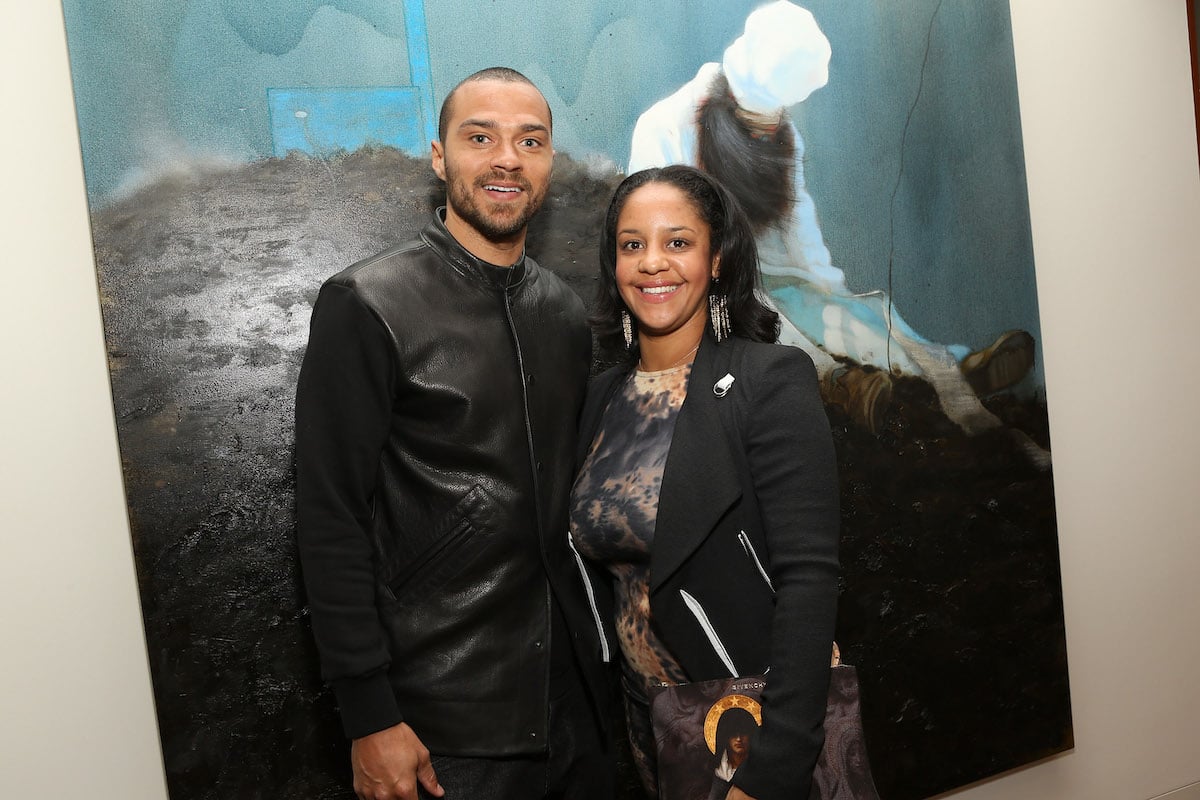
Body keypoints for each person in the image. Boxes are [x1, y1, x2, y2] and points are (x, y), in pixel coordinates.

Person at [295, 67, 611, 800]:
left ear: (549, 162)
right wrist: (369, 714)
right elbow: (330, 518)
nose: (507, 159)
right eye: (481, 137)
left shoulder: (565, 315)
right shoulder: (366, 303)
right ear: (440, 157)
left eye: (529, 141)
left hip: (574, 718)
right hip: (439, 730)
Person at [627, 0, 1038, 438]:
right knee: (764, 316)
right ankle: (844, 386)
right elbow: (658, 232)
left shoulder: (783, 136)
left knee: (853, 313)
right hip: (704, 279)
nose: (766, 134)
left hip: (770, 272)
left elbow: (796, 223)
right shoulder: (667, 127)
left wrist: (830, 293)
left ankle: (952, 368)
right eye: (757, 126)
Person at [569, 165, 839, 800]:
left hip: (747, 730)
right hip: (649, 728)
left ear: (716, 260)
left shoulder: (767, 381)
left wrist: (772, 771)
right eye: (632, 244)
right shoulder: (601, 397)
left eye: (678, 242)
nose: (652, 262)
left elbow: (809, 579)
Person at [707, 708, 759, 800]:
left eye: (743, 733)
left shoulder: (761, 768)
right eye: (733, 734)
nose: (739, 739)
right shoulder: (718, 771)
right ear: (725, 736)